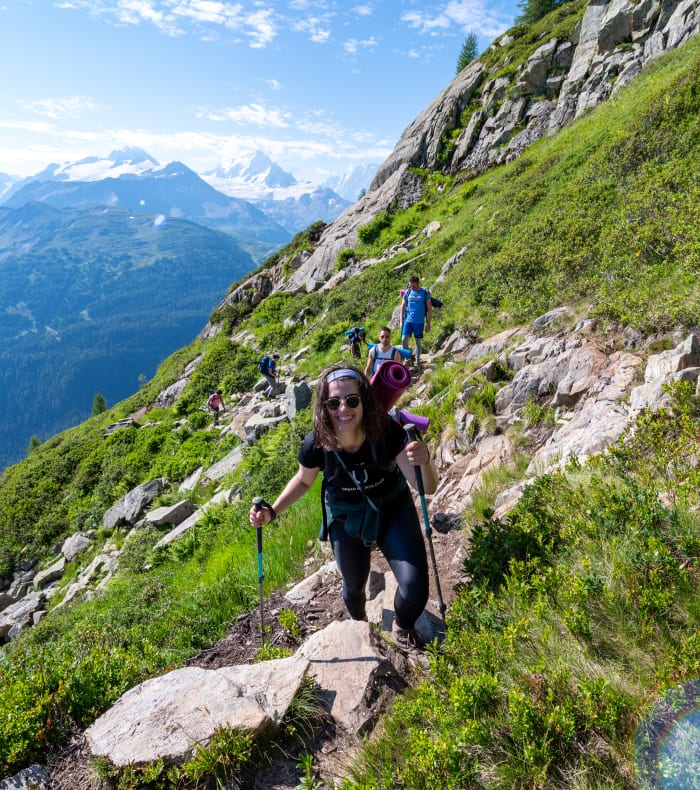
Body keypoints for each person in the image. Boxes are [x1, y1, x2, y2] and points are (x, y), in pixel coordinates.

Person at [249, 364, 438, 648]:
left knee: (414, 588)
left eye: (351, 401)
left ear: (364, 400)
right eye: (333, 402)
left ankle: (404, 624)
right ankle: (360, 625)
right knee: (352, 588)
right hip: (345, 515)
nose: (343, 409)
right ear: (324, 407)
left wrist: (424, 461)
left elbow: (427, 487)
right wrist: (272, 511)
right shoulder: (316, 444)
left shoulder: (388, 432)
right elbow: (303, 481)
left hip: (392, 507)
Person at [400, 274, 432, 367]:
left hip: (419, 322)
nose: (411, 287)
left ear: (417, 283)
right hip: (408, 321)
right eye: (410, 285)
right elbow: (402, 306)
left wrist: (428, 324)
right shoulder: (408, 291)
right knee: (403, 339)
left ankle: (417, 362)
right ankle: (408, 359)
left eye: (413, 285)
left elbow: (429, 309)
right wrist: (401, 321)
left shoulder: (424, 292)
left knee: (418, 342)